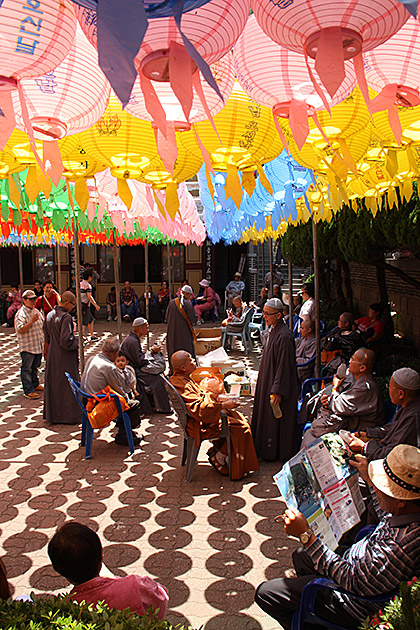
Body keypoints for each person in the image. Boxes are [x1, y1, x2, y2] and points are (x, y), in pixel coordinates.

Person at [255, 444, 420, 630]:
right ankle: (306, 605)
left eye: (383, 487)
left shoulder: (397, 547)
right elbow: (385, 514)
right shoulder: (406, 513)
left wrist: (306, 536)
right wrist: (369, 480)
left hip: (352, 603)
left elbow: (352, 579)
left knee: (266, 593)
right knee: (301, 556)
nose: (377, 488)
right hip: (357, 561)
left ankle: (310, 620)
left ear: (399, 501)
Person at [48, 522, 168, 618]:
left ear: (59, 571)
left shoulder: (69, 610)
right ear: (101, 556)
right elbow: (162, 598)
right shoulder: (136, 586)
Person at [170, 351, 259, 480]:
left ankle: (220, 451)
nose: (194, 360)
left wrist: (217, 399)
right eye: (190, 360)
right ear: (183, 368)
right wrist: (223, 406)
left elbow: (200, 398)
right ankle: (219, 458)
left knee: (239, 417)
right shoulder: (180, 383)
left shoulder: (182, 378)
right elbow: (199, 409)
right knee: (242, 428)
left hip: (202, 416)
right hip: (198, 424)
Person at [301, 348, 384, 447]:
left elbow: (338, 405)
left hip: (359, 430)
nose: (349, 361)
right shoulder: (357, 380)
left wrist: (335, 387)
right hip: (347, 421)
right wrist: (327, 400)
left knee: (312, 435)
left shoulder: (365, 388)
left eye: (353, 359)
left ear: (362, 368)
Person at [251, 298, 299, 462]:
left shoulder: (284, 336)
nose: (265, 316)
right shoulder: (274, 330)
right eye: (264, 312)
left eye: (268, 314)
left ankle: (276, 452)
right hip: (269, 379)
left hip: (277, 383)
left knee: (276, 420)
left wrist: (277, 390)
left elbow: (284, 367)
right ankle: (266, 449)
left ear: (279, 315)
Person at [348, 367, 420, 461]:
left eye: (389, 387)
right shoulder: (407, 407)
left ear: (400, 394)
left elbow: (393, 454)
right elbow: (390, 429)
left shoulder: (413, 417)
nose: (389, 390)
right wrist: (365, 433)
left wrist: (364, 447)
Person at [81, 337, 143, 445]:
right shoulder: (109, 367)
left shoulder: (92, 358)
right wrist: (129, 396)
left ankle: (123, 429)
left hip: (86, 397)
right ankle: (124, 434)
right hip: (97, 403)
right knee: (134, 405)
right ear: (116, 353)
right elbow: (119, 390)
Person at [43, 291, 81, 425]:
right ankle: (69, 416)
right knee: (67, 385)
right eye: (73, 305)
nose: (73, 308)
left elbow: (47, 338)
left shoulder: (49, 315)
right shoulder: (66, 317)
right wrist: (78, 342)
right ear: (67, 303)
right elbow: (66, 341)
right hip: (64, 356)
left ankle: (54, 415)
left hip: (53, 355)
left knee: (55, 384)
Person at [120, 318, 171, 415]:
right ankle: (162, 408)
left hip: (135, 367)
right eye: (146, 328)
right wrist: (151, 352)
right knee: (158, 379)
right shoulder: (133, 341)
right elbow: (140, 361)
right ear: (140, 329)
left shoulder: (132, 339)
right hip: (134, 370)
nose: (148, 330)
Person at [15, 289, 44, 400]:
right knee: (26, 369)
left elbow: (42, 325)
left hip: (37, 346)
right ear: (24, 300)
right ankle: (28, 390)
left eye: (34, 299)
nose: (33, 301)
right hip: (27, 347)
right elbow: (20, 329)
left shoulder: (36, 311)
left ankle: (35, 384)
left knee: (35, 367)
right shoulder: (21, 314)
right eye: (30, 299)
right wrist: (31, 321)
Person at [165, 285, 198, 370]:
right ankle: (187, 369)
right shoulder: (187, 304)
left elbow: (166, 317)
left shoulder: (171, 302)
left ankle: (173, 369)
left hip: (172, 331)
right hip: (184, 332)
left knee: (173, 349)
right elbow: (193, 319)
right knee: (186, 350)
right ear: (187, 294)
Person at [80, 270, 100, 341]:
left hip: (81, 304)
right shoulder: (88, 286)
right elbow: (89, 297)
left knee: (90, 320)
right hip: (85, 305)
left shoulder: (80, 284)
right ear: (89, 277)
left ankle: (92, 335)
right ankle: (81, 336)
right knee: (84, 321)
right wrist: (96, 305)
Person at [295, 319, 316, 384]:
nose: (300, 330)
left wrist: (297, 360)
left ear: (309, 330)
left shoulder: (313, 342)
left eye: (302, 328)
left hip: (303, 370)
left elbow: (308, 362)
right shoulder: (302, 339)